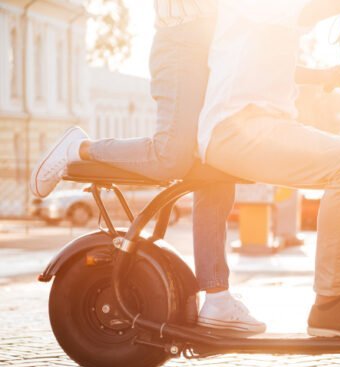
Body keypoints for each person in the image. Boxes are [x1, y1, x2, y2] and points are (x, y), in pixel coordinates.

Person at [30, 0, 265, 335]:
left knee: (215, 166)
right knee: (171, 156)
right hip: (186, 40)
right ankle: (80, 149)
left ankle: (217, 296)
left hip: (218, 47)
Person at [198, 0, 340, 341]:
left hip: (269, 125)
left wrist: (325, 75)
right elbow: (306, 12)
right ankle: (330, 303)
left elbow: (274, 62)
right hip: (234, 128)